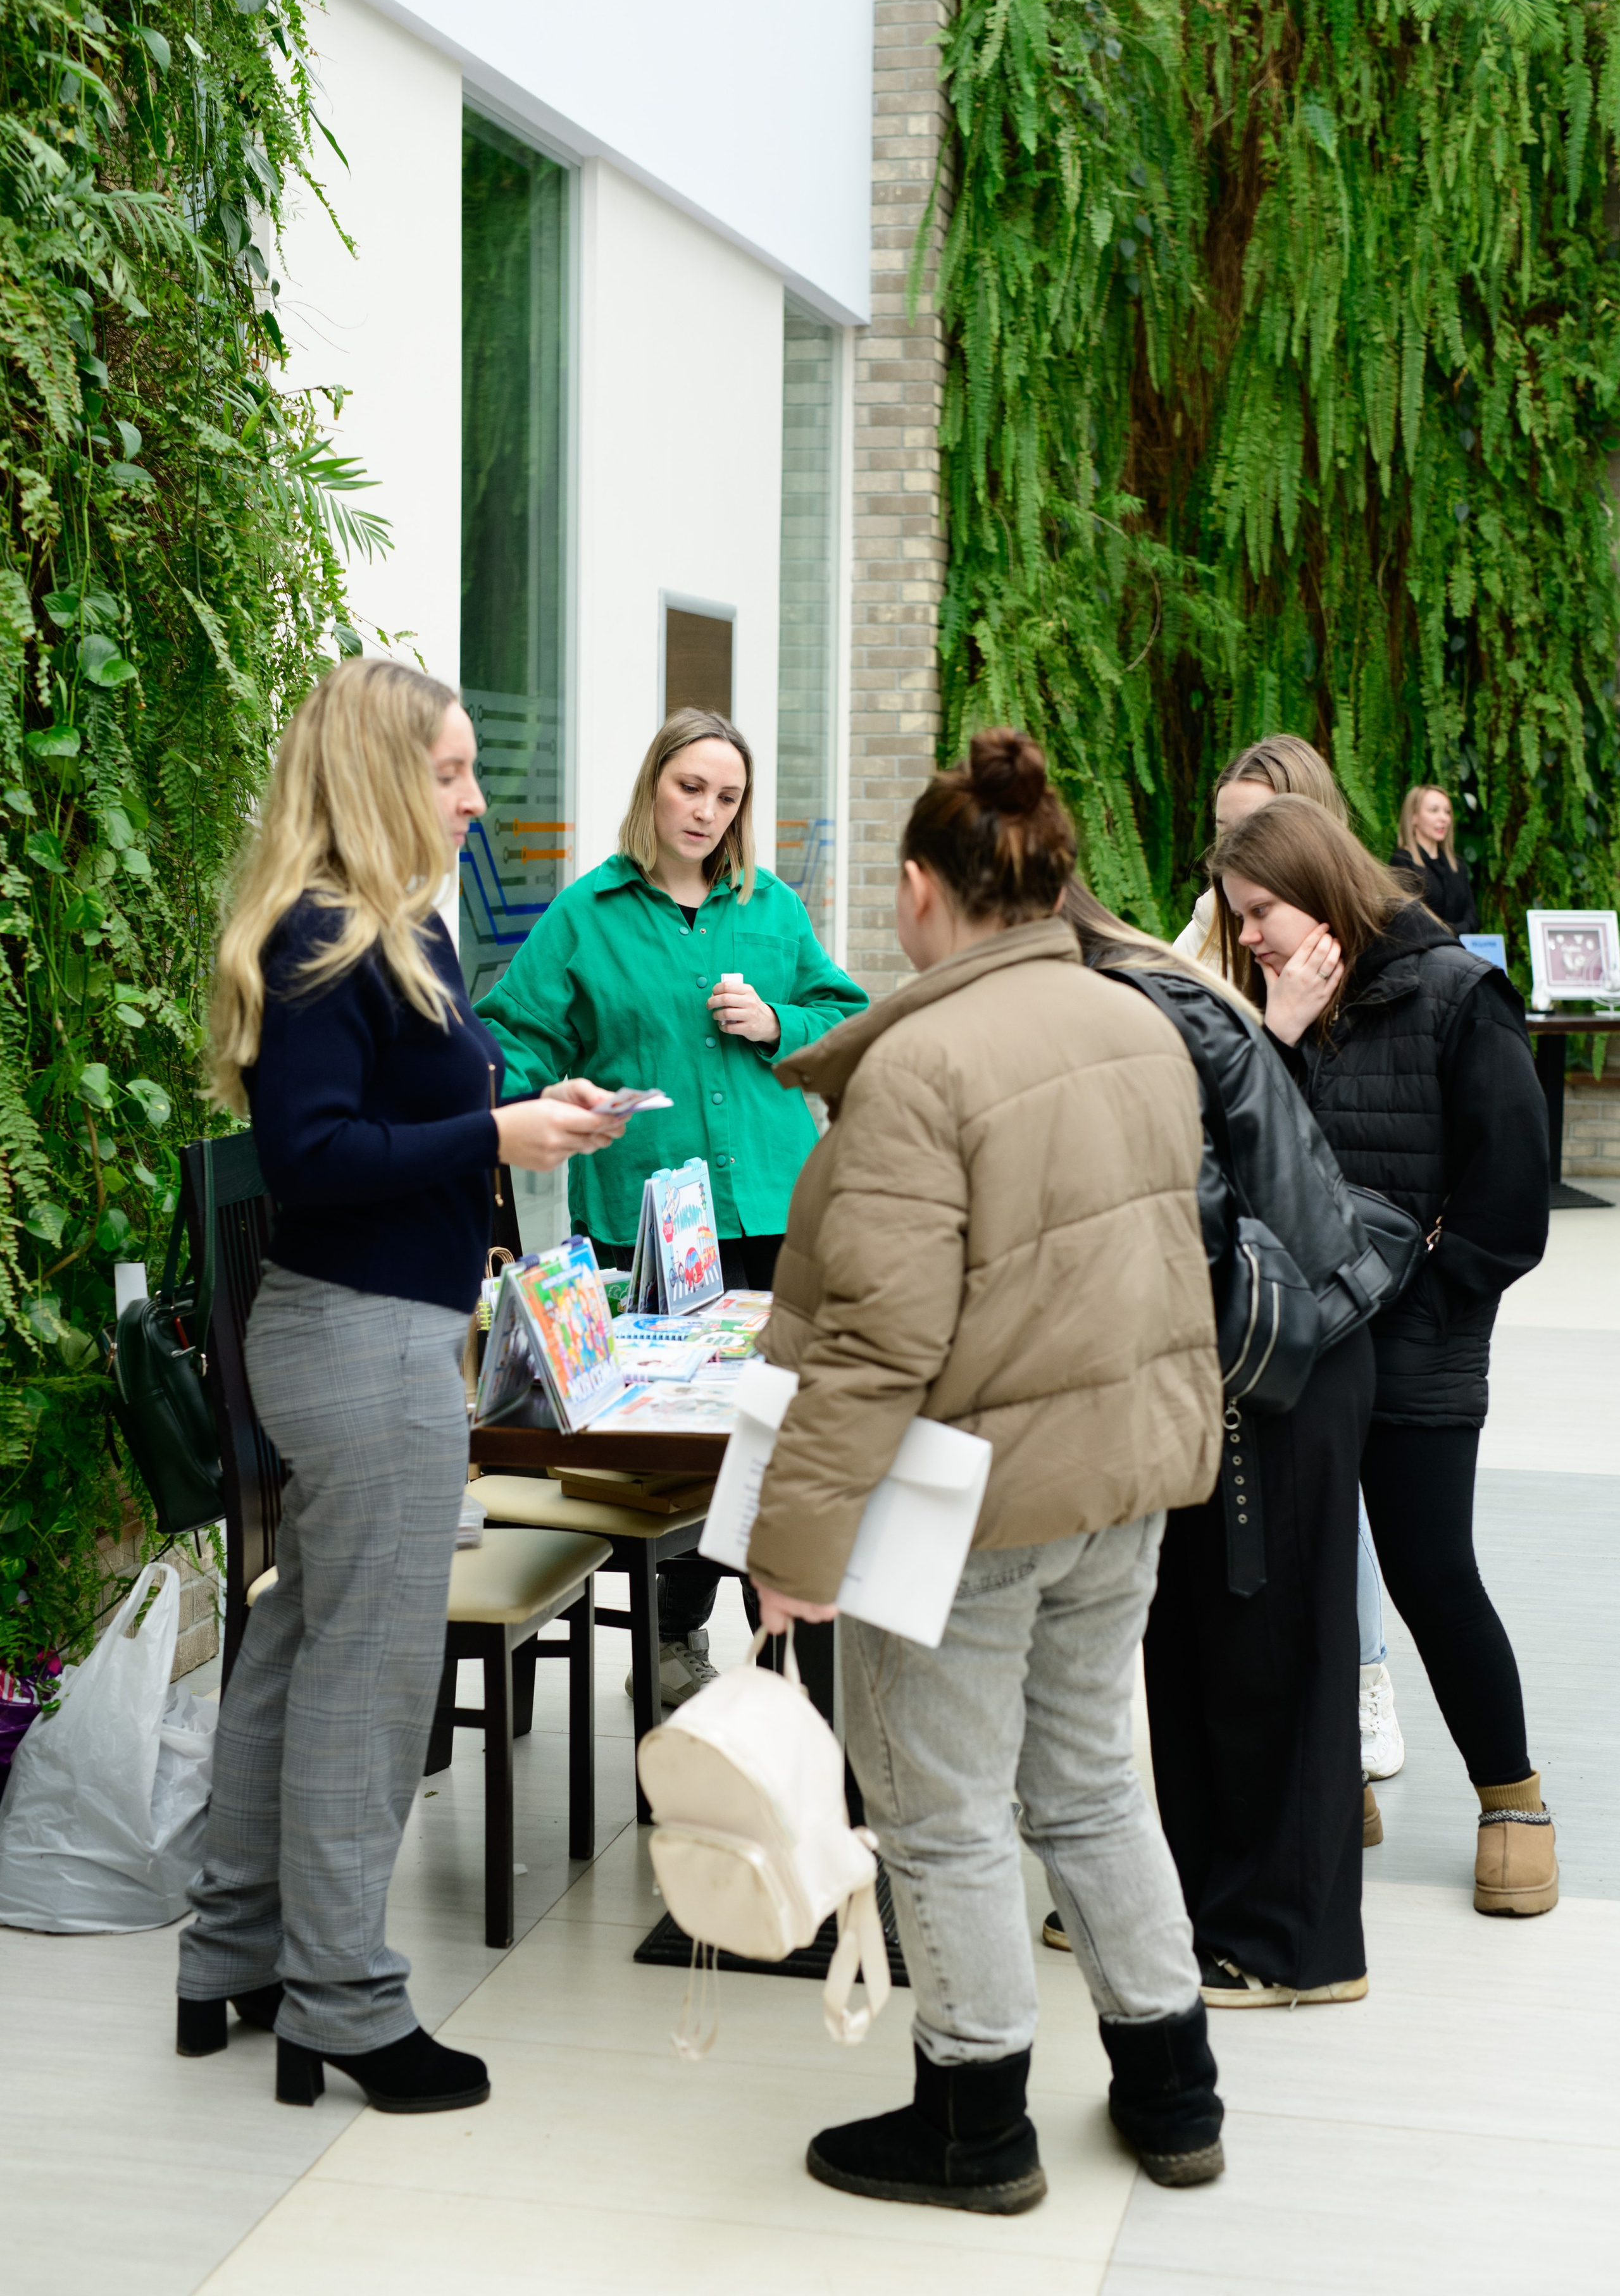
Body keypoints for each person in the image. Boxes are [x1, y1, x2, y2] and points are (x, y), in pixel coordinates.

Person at [746, 730, 1226, 2214]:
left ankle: (971, 2120)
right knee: (1089, 1779)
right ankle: (1170, 2086)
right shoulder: (1138, 1018)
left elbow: (881, 1339)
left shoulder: (920, 1061)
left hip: (964, 1504)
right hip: (1121, 1479)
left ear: (914, 891)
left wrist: (793, 1544)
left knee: (941, 1802)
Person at [178, 659, 627, 2112]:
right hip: (365, 1345)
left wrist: (514, 1122)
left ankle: (233, 1956)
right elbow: (317, 1155)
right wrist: (497, 1130)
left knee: (304, 1639)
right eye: (450, 770)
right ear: (380, 775)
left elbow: (384, 1126)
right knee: (371, 1680)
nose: (475, 798)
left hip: (353, 1331)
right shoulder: (329, 934)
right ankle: (347, 2004)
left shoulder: (364, 927)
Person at [477, 706, 867, 1704]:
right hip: (646, 1233)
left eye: (727, 796)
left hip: (776, 1218)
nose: (706, 811)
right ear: (654, 785)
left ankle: (782, 1649)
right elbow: (512, 1035)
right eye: (690, 787)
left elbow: (851, 1018)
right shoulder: (588, 914)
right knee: (675, 1452)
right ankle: (673, 1634)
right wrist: (517, 1098)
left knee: (780, 1432)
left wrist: (779, 1019)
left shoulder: (770, 909)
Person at [1210, 797, 1556, 1916]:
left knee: (1430, 1574)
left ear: (1318, 884)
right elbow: (1239, 1174)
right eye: (1238, 916)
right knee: (1296, 1589)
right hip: (1297, 1351)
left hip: (1415, 1352)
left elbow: (1511, 1206)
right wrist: (1281, 1034)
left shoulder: (1458, 995)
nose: (1248, 934)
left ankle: (1514, 1800)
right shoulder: (1279, 1008)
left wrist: (1419, 1301)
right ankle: (1327, 1790)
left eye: (1259, 910)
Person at [1062, 879, 1383, 2006]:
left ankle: (1291, 1949)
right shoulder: (1148, 991)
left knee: (1271, 1666)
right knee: (1207, 1657)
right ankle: (1210, 1911)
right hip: (1262, 1347)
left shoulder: (1130, 1011)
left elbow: (1182, 1216)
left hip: (1277, 1357)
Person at [1174, 733, 1402, 1777]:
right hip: (1238, 1273)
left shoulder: (1369, 963)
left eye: (1249, 833)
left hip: (1334, 1271)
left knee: (1338, 1496)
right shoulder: (1207, 939)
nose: (1230, 862)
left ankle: (1361, 1679)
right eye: (1221, 834)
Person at [1173, 733, 1352, 963]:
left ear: (1315, 829)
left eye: (1258, 831)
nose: (1238, 852)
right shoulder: (1202, 938)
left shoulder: (1383, 943)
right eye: (1227, 836)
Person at [1392, 783, 1479, 936]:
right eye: (1434, 810)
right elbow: (1410, 921)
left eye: (1447, 812)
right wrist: (1453, 933)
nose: (1444, 818)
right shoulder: (1402, 862)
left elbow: (1472, 918)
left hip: (1461, 954)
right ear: (1414, 817)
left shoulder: (1457, 865)